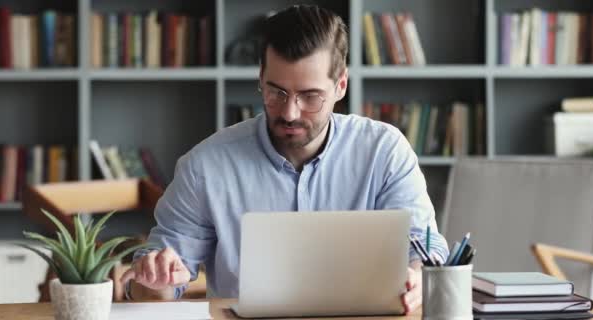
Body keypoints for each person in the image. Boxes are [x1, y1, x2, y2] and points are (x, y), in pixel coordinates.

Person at [121, 5, 448, 314]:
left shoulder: (384, 152)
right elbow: (154, 287)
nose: (290, 113)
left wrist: (418, 277)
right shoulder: (205, 167)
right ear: (260, 79)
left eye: (310, 96)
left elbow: (425, 252)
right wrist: (154, 281)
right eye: (276, 92)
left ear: (341, 85)